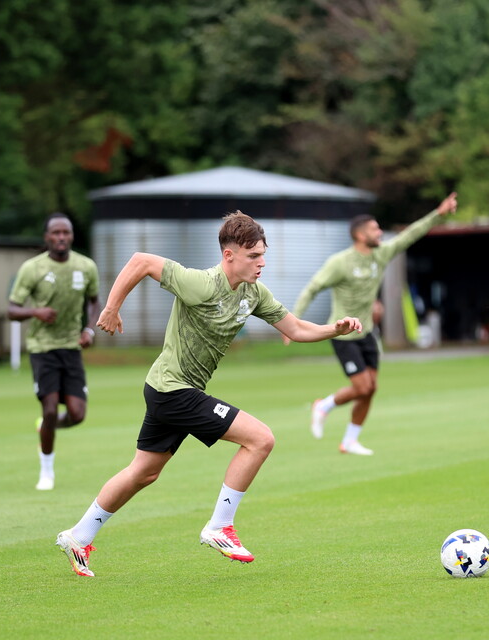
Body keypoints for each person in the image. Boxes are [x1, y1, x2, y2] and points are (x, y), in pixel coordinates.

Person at [55, 211, 361, 577]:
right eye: (253, 256)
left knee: (143, 473)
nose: (261, 263)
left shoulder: (254, 293)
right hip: (172, 389)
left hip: (168, 389)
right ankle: (219, 526)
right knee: (260, 439)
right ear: (229, 255)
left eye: (263, 255)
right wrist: (111, 307)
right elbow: (141, 261)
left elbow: (294, 328)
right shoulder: (199, 283)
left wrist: (335, 329)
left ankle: (78, 535)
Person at [290, 193, 457, 455]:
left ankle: (349, 441)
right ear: (359, 235)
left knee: (371, 389)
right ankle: (323, 406)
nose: (380, 232)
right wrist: (293, 324)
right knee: (362, 387)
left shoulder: (381, 255)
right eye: (374, 229)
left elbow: (410, 234)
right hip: (343, 334)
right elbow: (312, 288)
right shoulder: (340, 262)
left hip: (366, 332)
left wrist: (439, 213)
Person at [8, 213, 100, 491]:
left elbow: (95, 302)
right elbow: (12, 309)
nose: (61, 237)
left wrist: (90, 330)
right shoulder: (32, 268)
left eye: (66, 233)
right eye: (56, 233)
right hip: (43, 348)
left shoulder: (85, 266)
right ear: (47, 237)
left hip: (71, 347)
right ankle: (46, 470)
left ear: (71, 236)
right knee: (49, 409)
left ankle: (45, 428)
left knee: (77, 414)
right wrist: (35, 311)